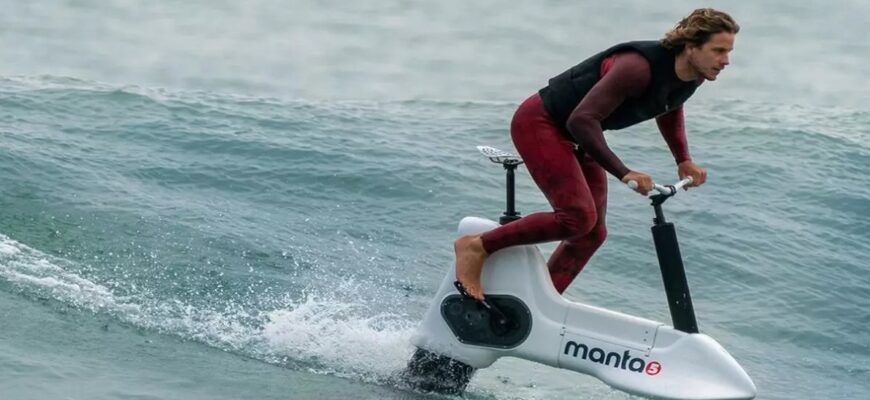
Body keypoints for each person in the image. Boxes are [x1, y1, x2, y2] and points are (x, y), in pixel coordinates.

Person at [454, 8, 739, 301]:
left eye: (729, 51)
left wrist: (683, 159)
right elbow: (581, 120)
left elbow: (669, 105)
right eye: (718, 50)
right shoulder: (636, 67)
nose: (726, 60)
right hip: (542, 123)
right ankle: (476, 246)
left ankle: (537, 302)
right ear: (690, 46)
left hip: (579, 137)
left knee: (592, 234)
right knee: (576, 217)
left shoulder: (694, 76)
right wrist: (624, 172)